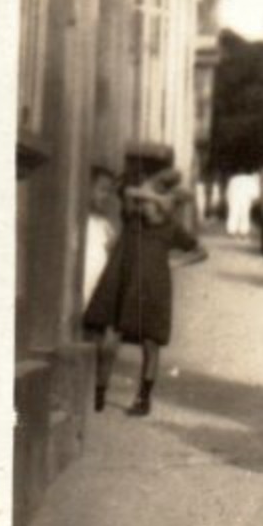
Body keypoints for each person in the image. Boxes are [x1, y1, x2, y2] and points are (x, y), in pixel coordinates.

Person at [84, 143, 207, 416]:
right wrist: (151, 189)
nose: (144, 208)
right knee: (110, 341)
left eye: (151, 205)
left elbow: (200, 251)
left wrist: (176, 262)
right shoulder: (132, 220)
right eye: (144, 204)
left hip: (154, 290)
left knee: (151, 344)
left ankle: (144, 398)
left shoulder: (171, 228)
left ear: (164, 208)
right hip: (126, 286)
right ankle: (99, 392)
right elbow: (126, 191)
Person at [83, 165, 121, 306]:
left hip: (96, 302)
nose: (106, 197)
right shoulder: (78, 222)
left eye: (110, 192)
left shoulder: (105, 226)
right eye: (102, 190)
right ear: (87, 188)